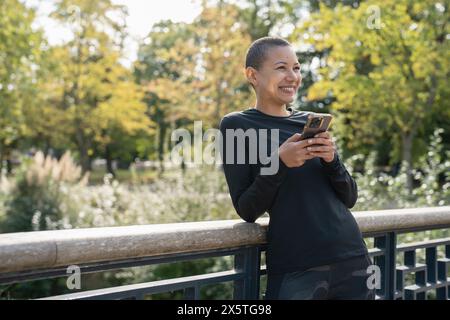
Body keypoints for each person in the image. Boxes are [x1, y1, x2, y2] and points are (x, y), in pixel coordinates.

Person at [219, 37, 375, 300]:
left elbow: (350, 197)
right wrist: (279, 162)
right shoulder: (236, 125)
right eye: (281, 68)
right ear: (252, 75)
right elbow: (247, 209)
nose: (292, 76)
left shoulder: (310, 122)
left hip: (352, 258)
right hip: (297, 267)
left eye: (297, 68)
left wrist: (331, 159)